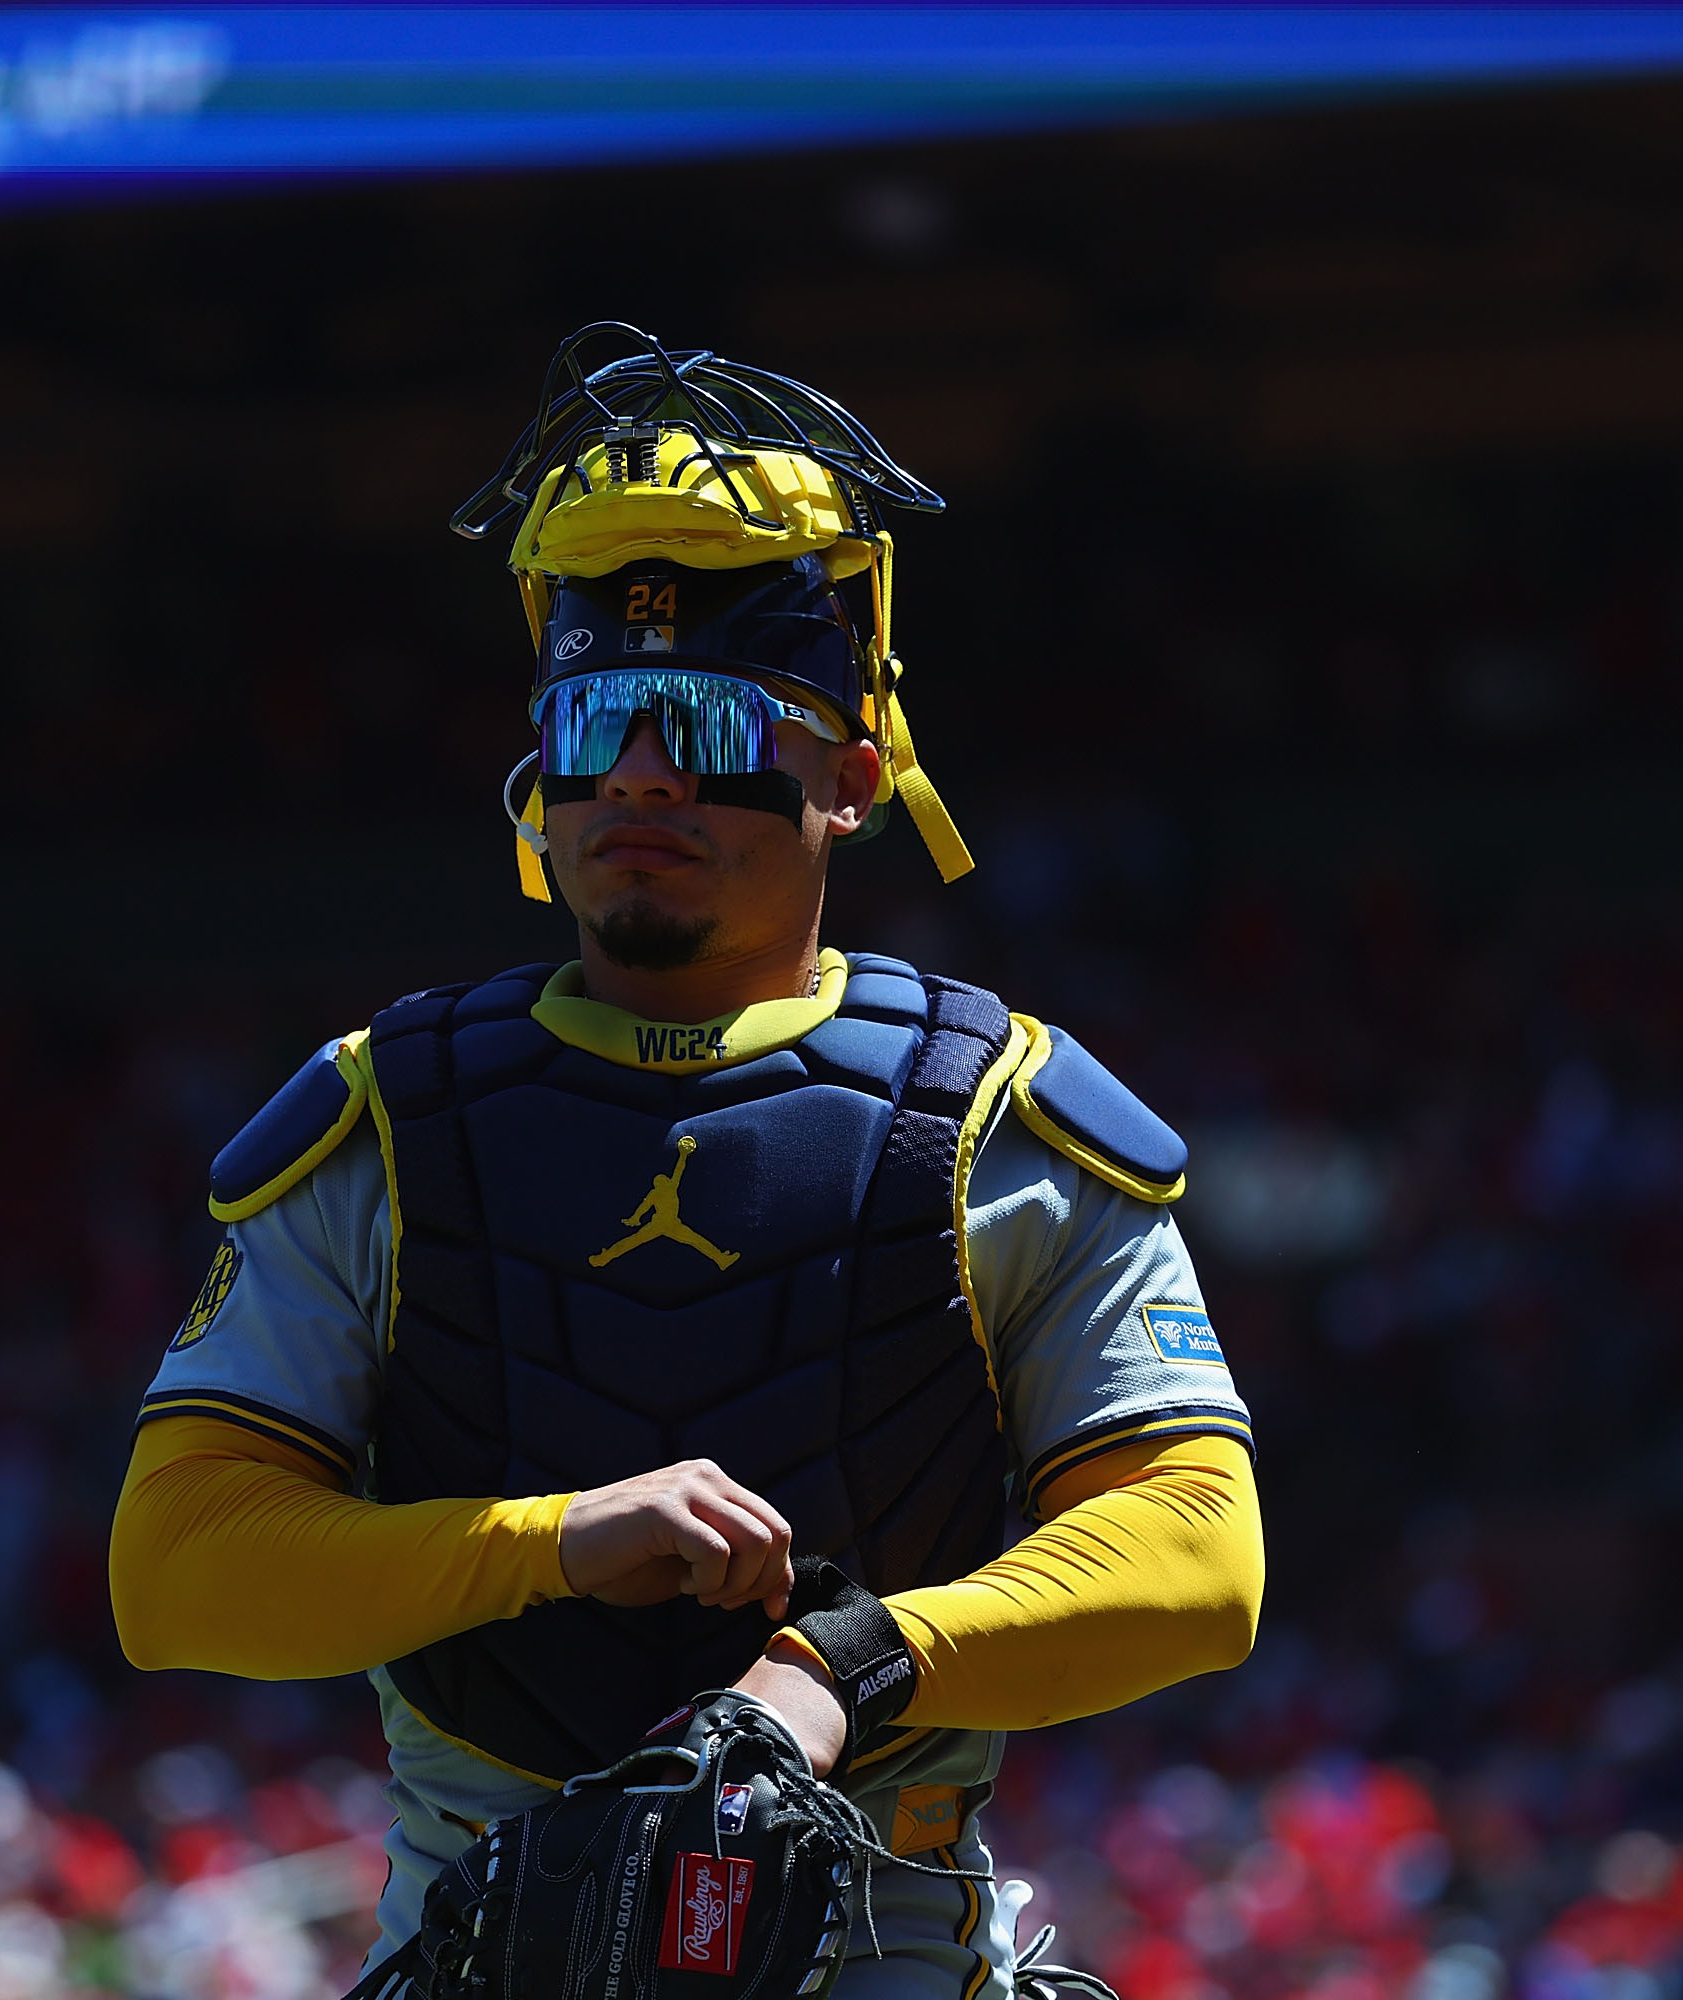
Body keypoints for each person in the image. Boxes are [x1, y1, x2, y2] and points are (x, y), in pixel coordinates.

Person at [110, 325, 1264, 2000]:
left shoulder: (1008, 1115)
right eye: (596, 718)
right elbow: (177, 1571)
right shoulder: (378, 1113)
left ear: (853, 776)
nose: (642, 772)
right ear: (537, 774)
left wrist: (834, 1671)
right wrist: (551, 1538)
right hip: (477, 1950)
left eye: (713, 720)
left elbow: (1200, 1553)